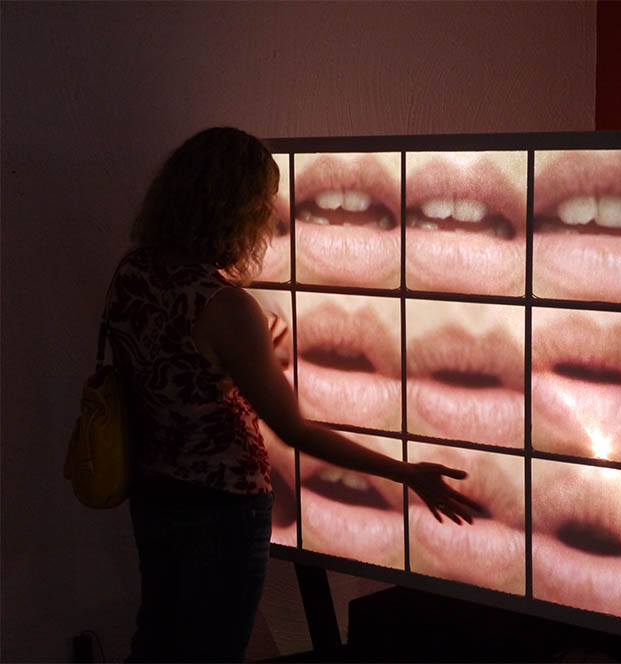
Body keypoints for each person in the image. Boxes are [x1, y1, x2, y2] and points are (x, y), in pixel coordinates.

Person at [106, 127, 479, 662]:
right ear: (234, 207)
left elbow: (168, 372)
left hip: (154, 492)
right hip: (222, 507)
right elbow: (294, 429)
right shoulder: (228, 307)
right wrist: (407, 473)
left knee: (160, 638)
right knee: (213, 649)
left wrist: (248, 359)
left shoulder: (133, 271)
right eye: (262, 200)